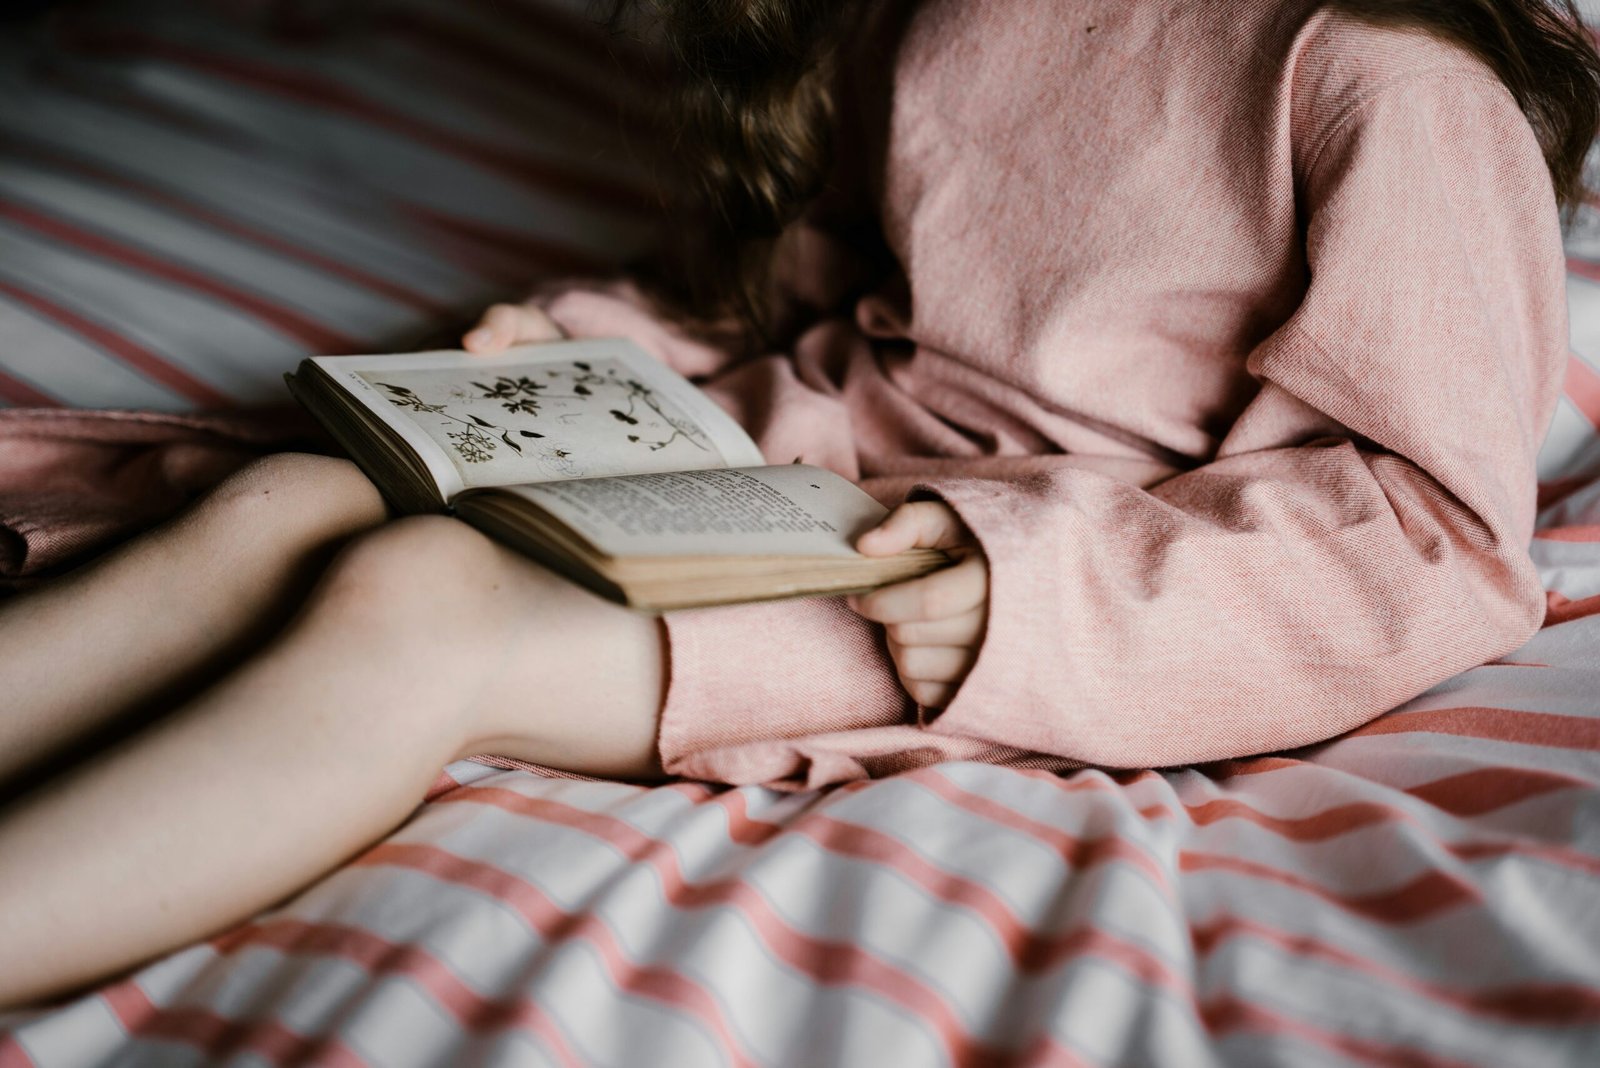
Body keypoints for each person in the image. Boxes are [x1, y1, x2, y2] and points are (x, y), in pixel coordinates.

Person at [0, 0, 1595, 1010]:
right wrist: (605, 351)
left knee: (413, 606)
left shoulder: (1388, 80)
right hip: (786, 472)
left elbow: (1432, 534)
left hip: (994, 585)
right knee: (284, 500)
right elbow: (843, 297)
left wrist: (1024, 590)